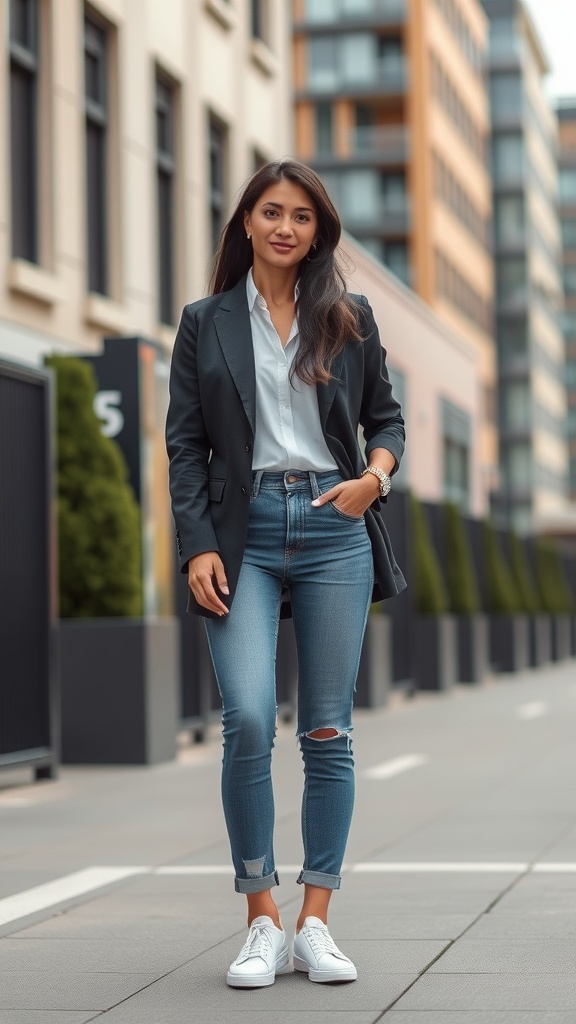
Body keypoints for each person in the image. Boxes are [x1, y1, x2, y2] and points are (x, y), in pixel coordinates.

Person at [166, 159, 406, 989]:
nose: (285, 228)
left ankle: (316, 921)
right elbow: (185, 445)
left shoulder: (349, 315)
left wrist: (373, 480)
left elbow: (388, 421)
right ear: (245, 223)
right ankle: (260, 919)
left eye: (302, 217)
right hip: (244, 535)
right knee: (248, 719)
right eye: (271, 212)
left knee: (327, 730)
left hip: (335, 524)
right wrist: (197, 543)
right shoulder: (205, 322)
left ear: (317, 231)